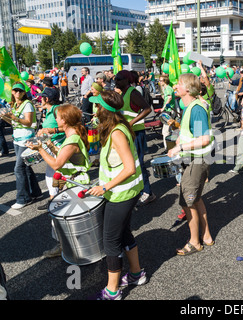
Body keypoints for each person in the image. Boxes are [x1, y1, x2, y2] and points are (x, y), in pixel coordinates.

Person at [87, 91, 148, 300]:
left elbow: (129, 167)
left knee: (110, 242)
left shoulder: (117, 133)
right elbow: (117, 160)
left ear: (105, 110)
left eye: (97, 107)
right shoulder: (117, 127)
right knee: (124, 234)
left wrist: (104, 187)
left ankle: (112, 291)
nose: (94, 110)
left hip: (121, 194)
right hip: (124, 192)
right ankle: (136, 274)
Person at [26, 103, 91, 258]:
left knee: (62, 216)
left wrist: (40, 149)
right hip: (64, 178)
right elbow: (63, 156)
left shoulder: (72, 140)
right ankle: (63, 245)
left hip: (72, 181)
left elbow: (56, 164)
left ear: (65, 120)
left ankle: (66, 247)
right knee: (56, 212)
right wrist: (50, 144)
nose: (55, 119)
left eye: (58, 116)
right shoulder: (72, 136)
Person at [168, 73, 215, 255]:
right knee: (196, 199)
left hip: (197, 160)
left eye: (178, 84)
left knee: (188, 203)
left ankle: (195, 242)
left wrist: (180, 148)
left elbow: (203, 138)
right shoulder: (191, 106)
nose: (175, 86)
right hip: (195, 158)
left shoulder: (196, 108)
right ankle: (207, 236)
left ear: (187, 88)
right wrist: (179, 142)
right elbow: (192, 132)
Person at [114, 70, 156, 206]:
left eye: (119, 79)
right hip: (129, 133)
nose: (116, 81)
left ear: (126, 80)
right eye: (115, 78)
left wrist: (131, 123)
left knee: (138, 163)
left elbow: (147, 108)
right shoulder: (124, 93)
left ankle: (148, 193)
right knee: (131, 163)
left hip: (137, 132)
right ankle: (140, 190)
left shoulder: (132, 92)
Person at [1, 83, 42, 209]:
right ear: (12, 92)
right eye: (15, 91)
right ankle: (35, 192)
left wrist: (14, 117)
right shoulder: (15, 105)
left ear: (24, 92)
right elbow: (13, 122)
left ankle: (23, 198)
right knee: (27, 167)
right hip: (17, 139)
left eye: (20, 91)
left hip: (27, 139)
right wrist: (5, 117)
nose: (18, 93)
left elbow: (28, 122)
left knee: (18, 169)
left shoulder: (27, 104)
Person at [33, 88, 66, 211]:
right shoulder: (49, 110)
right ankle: (53, 199)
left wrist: (52, 130)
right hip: (51, 146)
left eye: (42, 97)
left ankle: (57, 200)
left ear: (46, 99)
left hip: (59, 147)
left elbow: (70, 126)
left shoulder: (57, 110)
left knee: (56, 174)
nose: (40, 99)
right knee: (51, 174)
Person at [159, 74, 177, 150]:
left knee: (165, 131)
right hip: (169, 111)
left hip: (169, 111)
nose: (159, 82)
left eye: (160, 80)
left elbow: (169, 98)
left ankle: (167, 148)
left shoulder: (168, 88)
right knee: (169, 129)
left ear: (164, 81)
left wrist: (163, 107)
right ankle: (169, 146)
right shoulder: (166, 88)